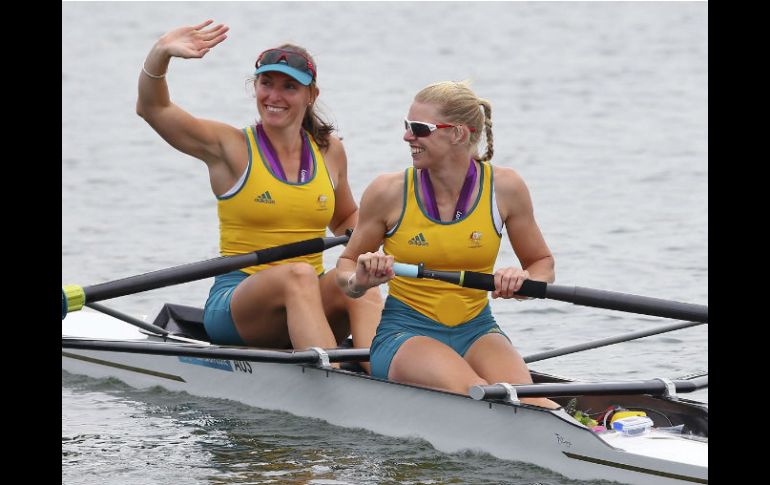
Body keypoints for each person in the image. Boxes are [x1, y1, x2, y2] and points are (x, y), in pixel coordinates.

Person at [136, 20, 381, 368]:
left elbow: (344, 220)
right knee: (299, 275)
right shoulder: (231, 148)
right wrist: (160, 53)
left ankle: (387, 379)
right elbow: (153, 109)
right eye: (266, 84)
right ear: (256, 87)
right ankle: (341, 381)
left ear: (311, 95)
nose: (274, 96)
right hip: (238, 305)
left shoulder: (329, 151)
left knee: (361, 285)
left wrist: (375, 245)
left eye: (289, 87)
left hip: (308, 295)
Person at [336, 80, 558, 407]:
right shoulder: (388, 192)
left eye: (419, 128)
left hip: (479, 330)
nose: (407, 136)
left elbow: (543, 264)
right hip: (406, 334)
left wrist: (525, 282)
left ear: (457, 134)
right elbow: (345, 266)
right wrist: (359, 283)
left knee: (531, 403)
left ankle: (598, 433)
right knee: (480, 396)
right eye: (407, 126)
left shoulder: (506, 188)